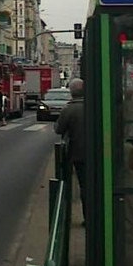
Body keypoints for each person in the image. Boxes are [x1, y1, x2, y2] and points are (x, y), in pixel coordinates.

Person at [55, 78, 87, 225]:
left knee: (80, 186)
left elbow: (58, 129)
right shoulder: (92, 106)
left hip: (76, 153)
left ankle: (73, 217)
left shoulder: (69, 109)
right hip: (93, 152)